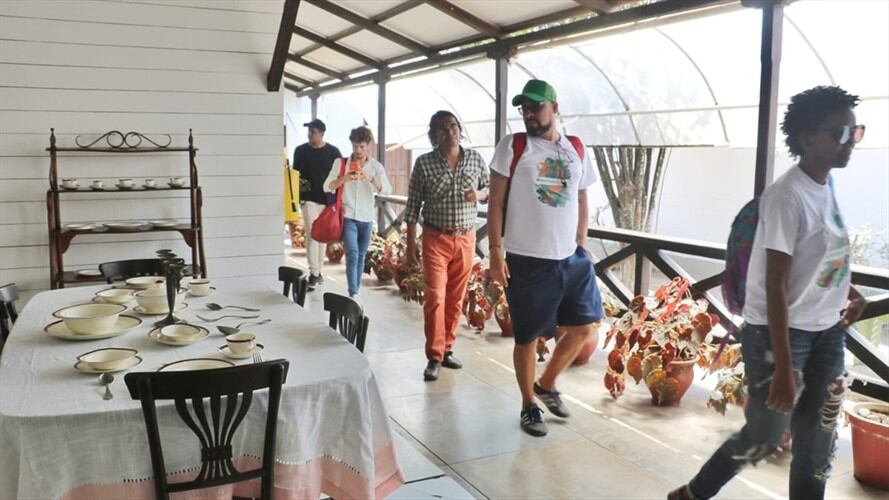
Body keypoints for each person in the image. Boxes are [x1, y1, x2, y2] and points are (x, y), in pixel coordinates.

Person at [669, 86, 867, 500]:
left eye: (856, 132)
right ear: (808, 136)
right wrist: (782, 368)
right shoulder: (786, 196)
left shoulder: (825, 185)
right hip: (779, 335)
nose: (849, 143)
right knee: (765, 434)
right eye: (839, 133)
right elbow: (775, 281)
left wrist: (851, 290)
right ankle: (693, 494)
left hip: (826, 331)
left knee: (818, 439)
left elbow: (821, 253)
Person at [487, 79, 603, 437]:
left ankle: (547, 382)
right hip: (527, 258)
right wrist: (495, 252)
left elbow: (582, 197)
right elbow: (494, 202)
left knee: (585, 326)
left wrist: (582, 242)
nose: (529, 114)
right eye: (524, 108)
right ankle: (528, 404)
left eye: (536, 107)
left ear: (555, 108)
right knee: (528, 337)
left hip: (570, 257)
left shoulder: (577, 149)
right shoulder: (514, 146)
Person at [404, 111, 489, 382]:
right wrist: (409, 247)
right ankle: (434, 356)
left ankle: (447, 347)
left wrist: (480, 194)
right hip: (435, 238)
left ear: (459, 130)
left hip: (466, 238)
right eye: (442, 129)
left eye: (453, 126)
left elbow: (491, 190)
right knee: (435, 297)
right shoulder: (424, 163)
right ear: (434, 136)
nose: (449, 131)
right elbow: (412, 207)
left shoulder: (475, 159)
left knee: (456, 298)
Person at [324, 126, 391, 301]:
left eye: (361, 146)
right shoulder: (341, 163)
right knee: (352, 254)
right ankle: (352, 291)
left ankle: (356, 290)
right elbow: (327, 186)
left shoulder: (375, 166)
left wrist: (369, 178)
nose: (358, 151)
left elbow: (388, 190)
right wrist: (344, 178)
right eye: (354, 146)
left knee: (361, 256)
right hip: (348, 216)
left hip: (367, 218)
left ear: (368, 145)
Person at [293, 119, 342, 287]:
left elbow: (339, 175)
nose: (310, 134)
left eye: (313, 132)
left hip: (328, 200)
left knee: (322, 236)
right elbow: (295, 175)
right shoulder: (300, 151)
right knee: (312, 235)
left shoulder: (333, 152)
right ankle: (313, 272)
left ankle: (318, 271)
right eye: (309, 131)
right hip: (308, 199)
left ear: (322, 133)